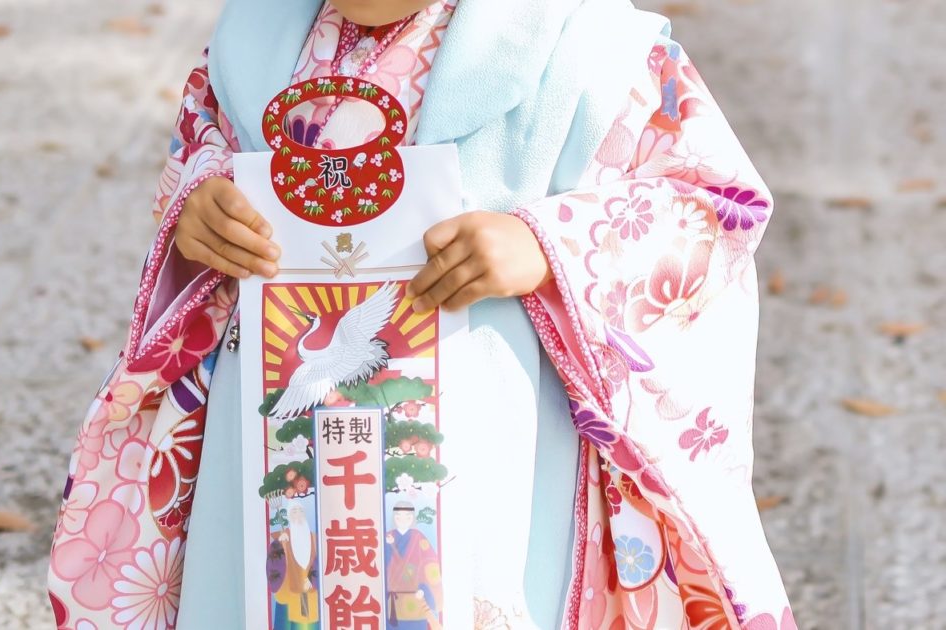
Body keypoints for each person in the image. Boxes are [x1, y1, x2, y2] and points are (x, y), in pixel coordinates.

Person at [48, 1, 797, 628]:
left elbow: (709, 206)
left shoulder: (592, 52)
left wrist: (547, 246)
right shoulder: (253, 45)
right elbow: (202, 153)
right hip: (275, 434)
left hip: (496, 440)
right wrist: (201, 208)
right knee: (281, 586)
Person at [384, 501, 442, 629]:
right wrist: (388, 546)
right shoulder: (387, 537)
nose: (403, 520)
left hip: (417, 598)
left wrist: (424, 590)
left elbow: (430, 564)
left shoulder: (418, 537)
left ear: (412, 518)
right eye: (398, 516)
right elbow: (381, 565)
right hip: (393, 603)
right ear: (394, 518)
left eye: (407, 516)